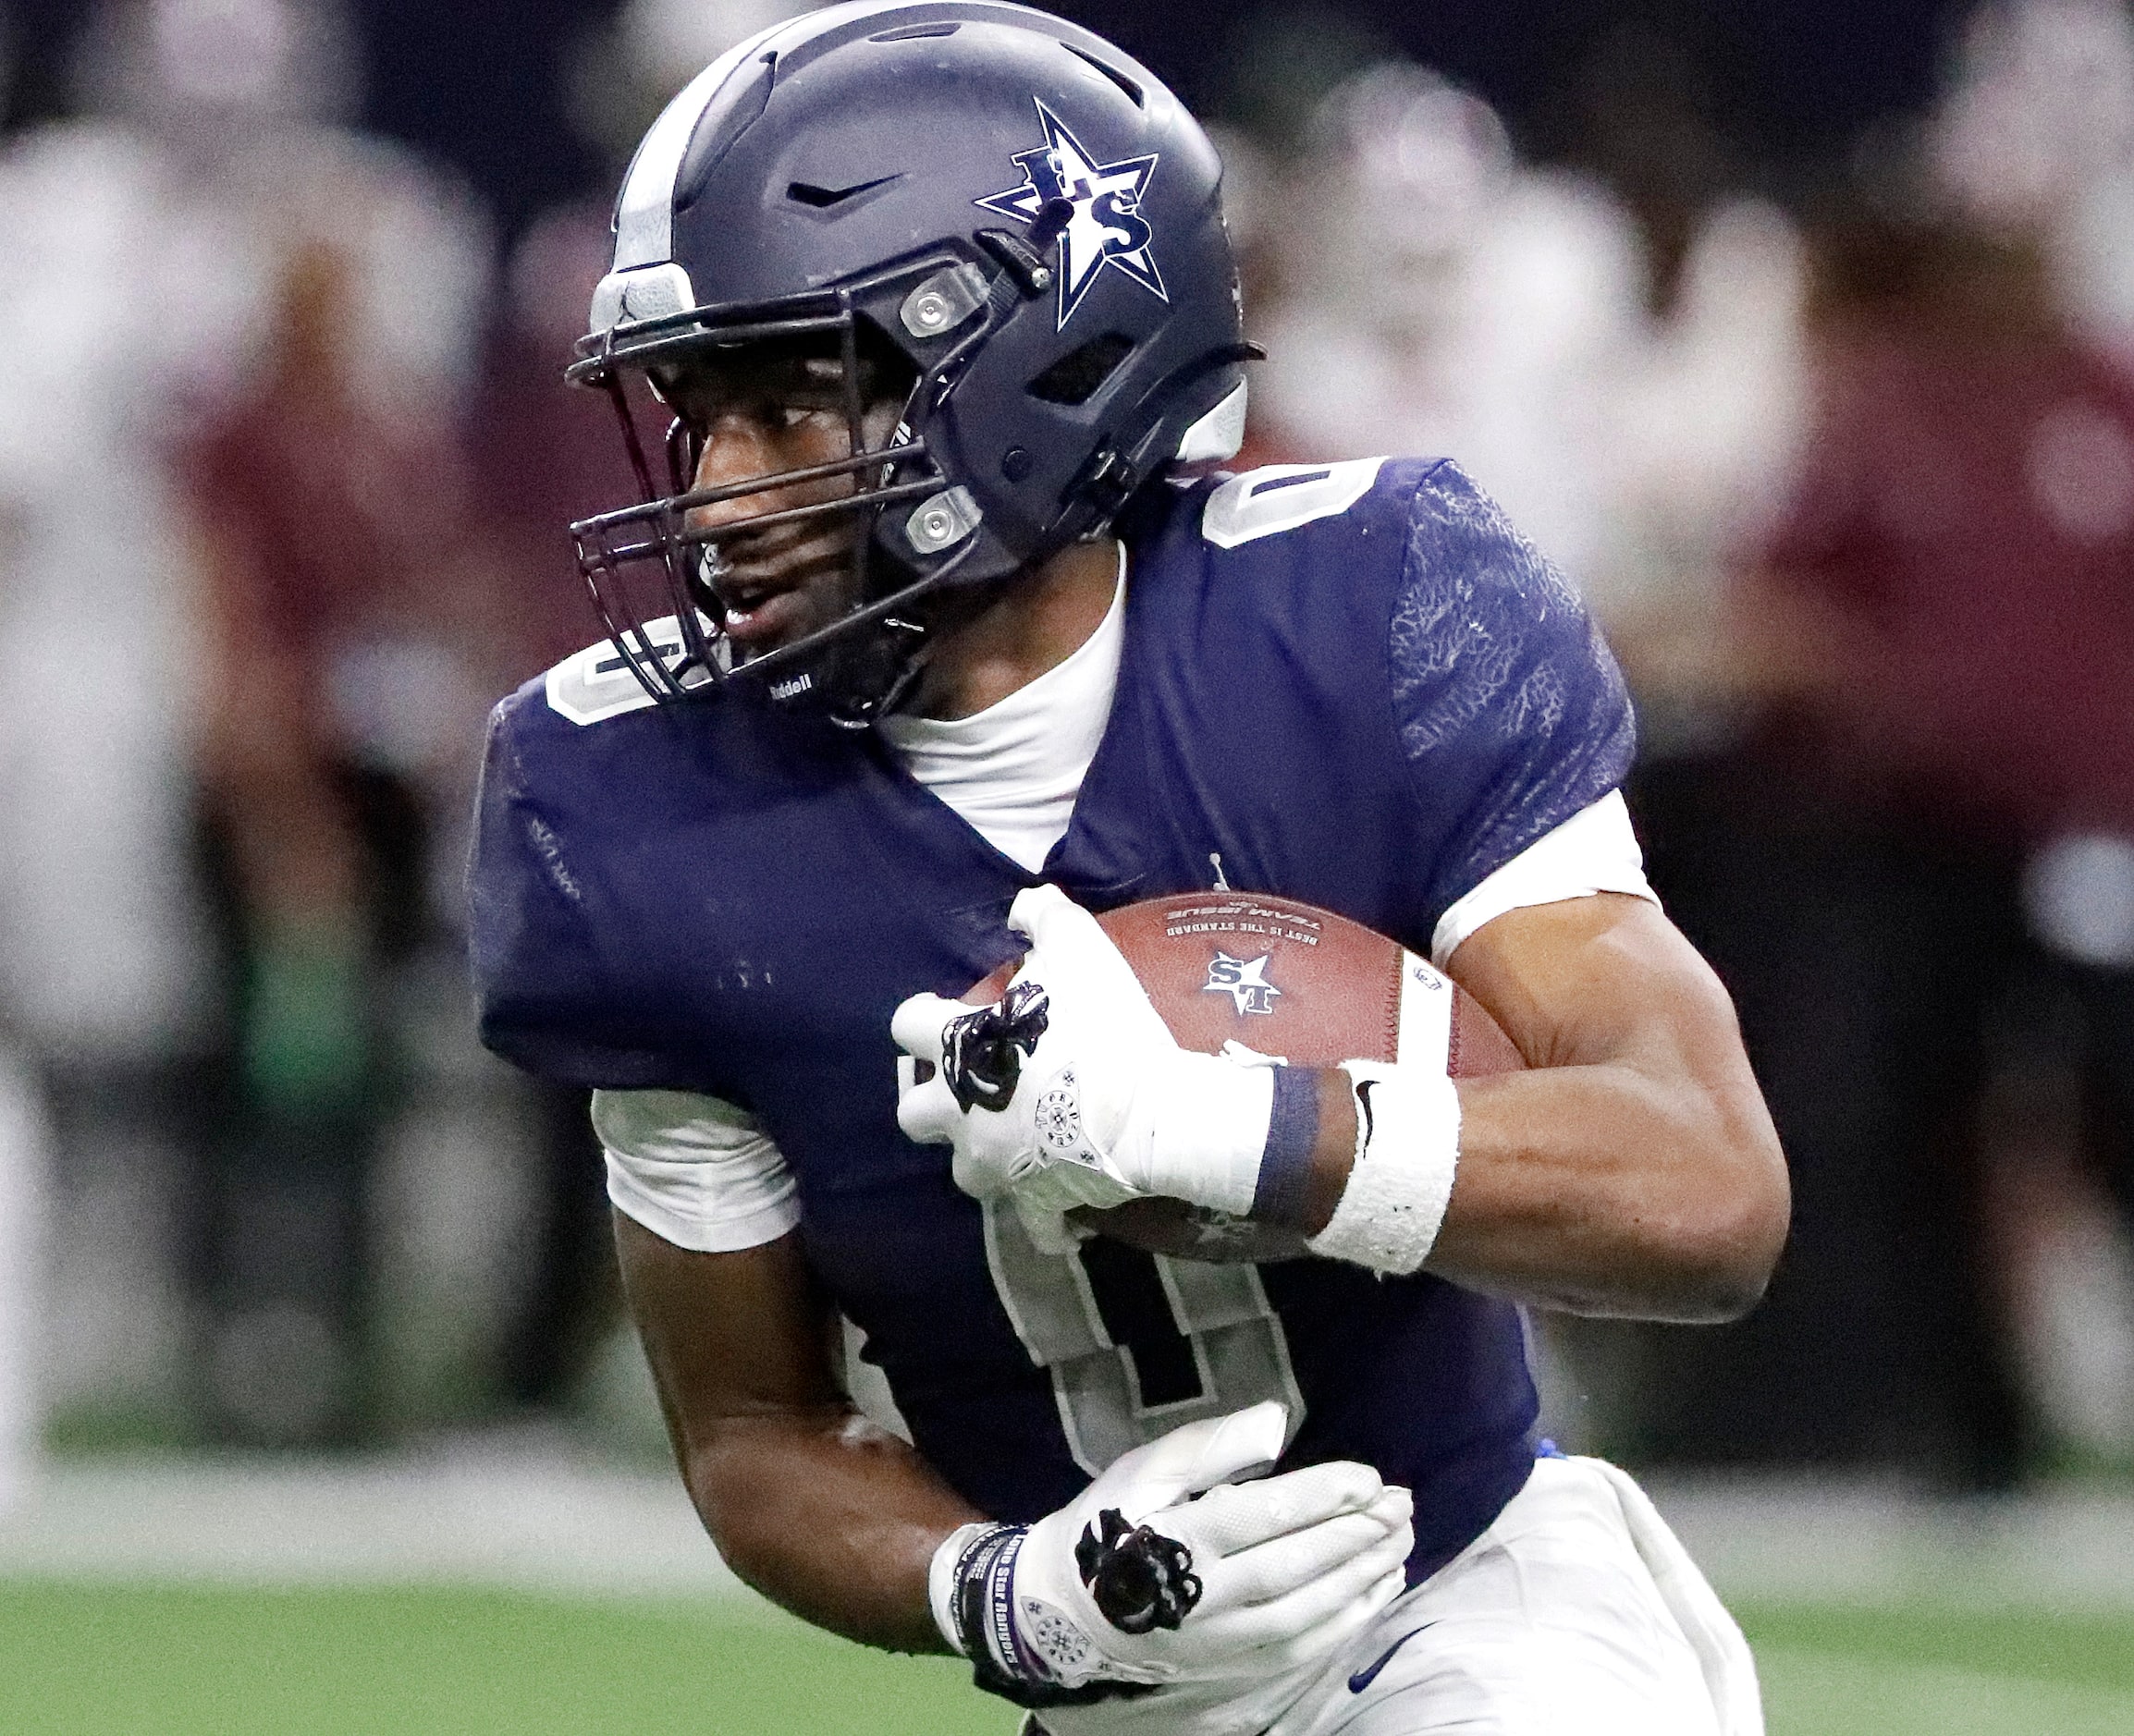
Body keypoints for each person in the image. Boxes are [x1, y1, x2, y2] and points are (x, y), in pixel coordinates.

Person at [467, 6, 1787, 1731]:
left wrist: (1228, 1125)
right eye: (697, 412)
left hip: (1480, 1609)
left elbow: (1703, 1184)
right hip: (1124, 1694)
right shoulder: (626, 804)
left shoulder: (1365, 610)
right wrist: (1007, 1595)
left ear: (1035, 363)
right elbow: (753, 1432)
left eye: (797, 400)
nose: (717, 496)